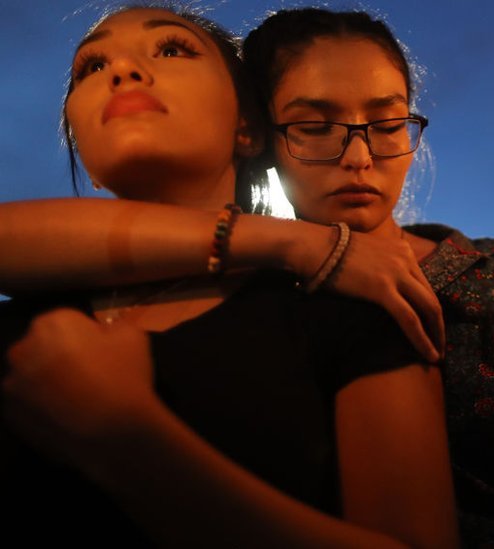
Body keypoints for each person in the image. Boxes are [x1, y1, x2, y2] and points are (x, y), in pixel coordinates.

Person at [0, 6, 494, 548]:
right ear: (260, 133)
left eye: (386, 123)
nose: (359, 155)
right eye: (316, 126)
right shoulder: (268, 286)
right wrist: (293, 245)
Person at [0, 6, 457, 547]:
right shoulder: (21, 332)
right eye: (91, 67)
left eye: (172, 49)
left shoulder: (345, 306)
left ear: (248, 127)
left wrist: (134, 448)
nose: (121, 71)